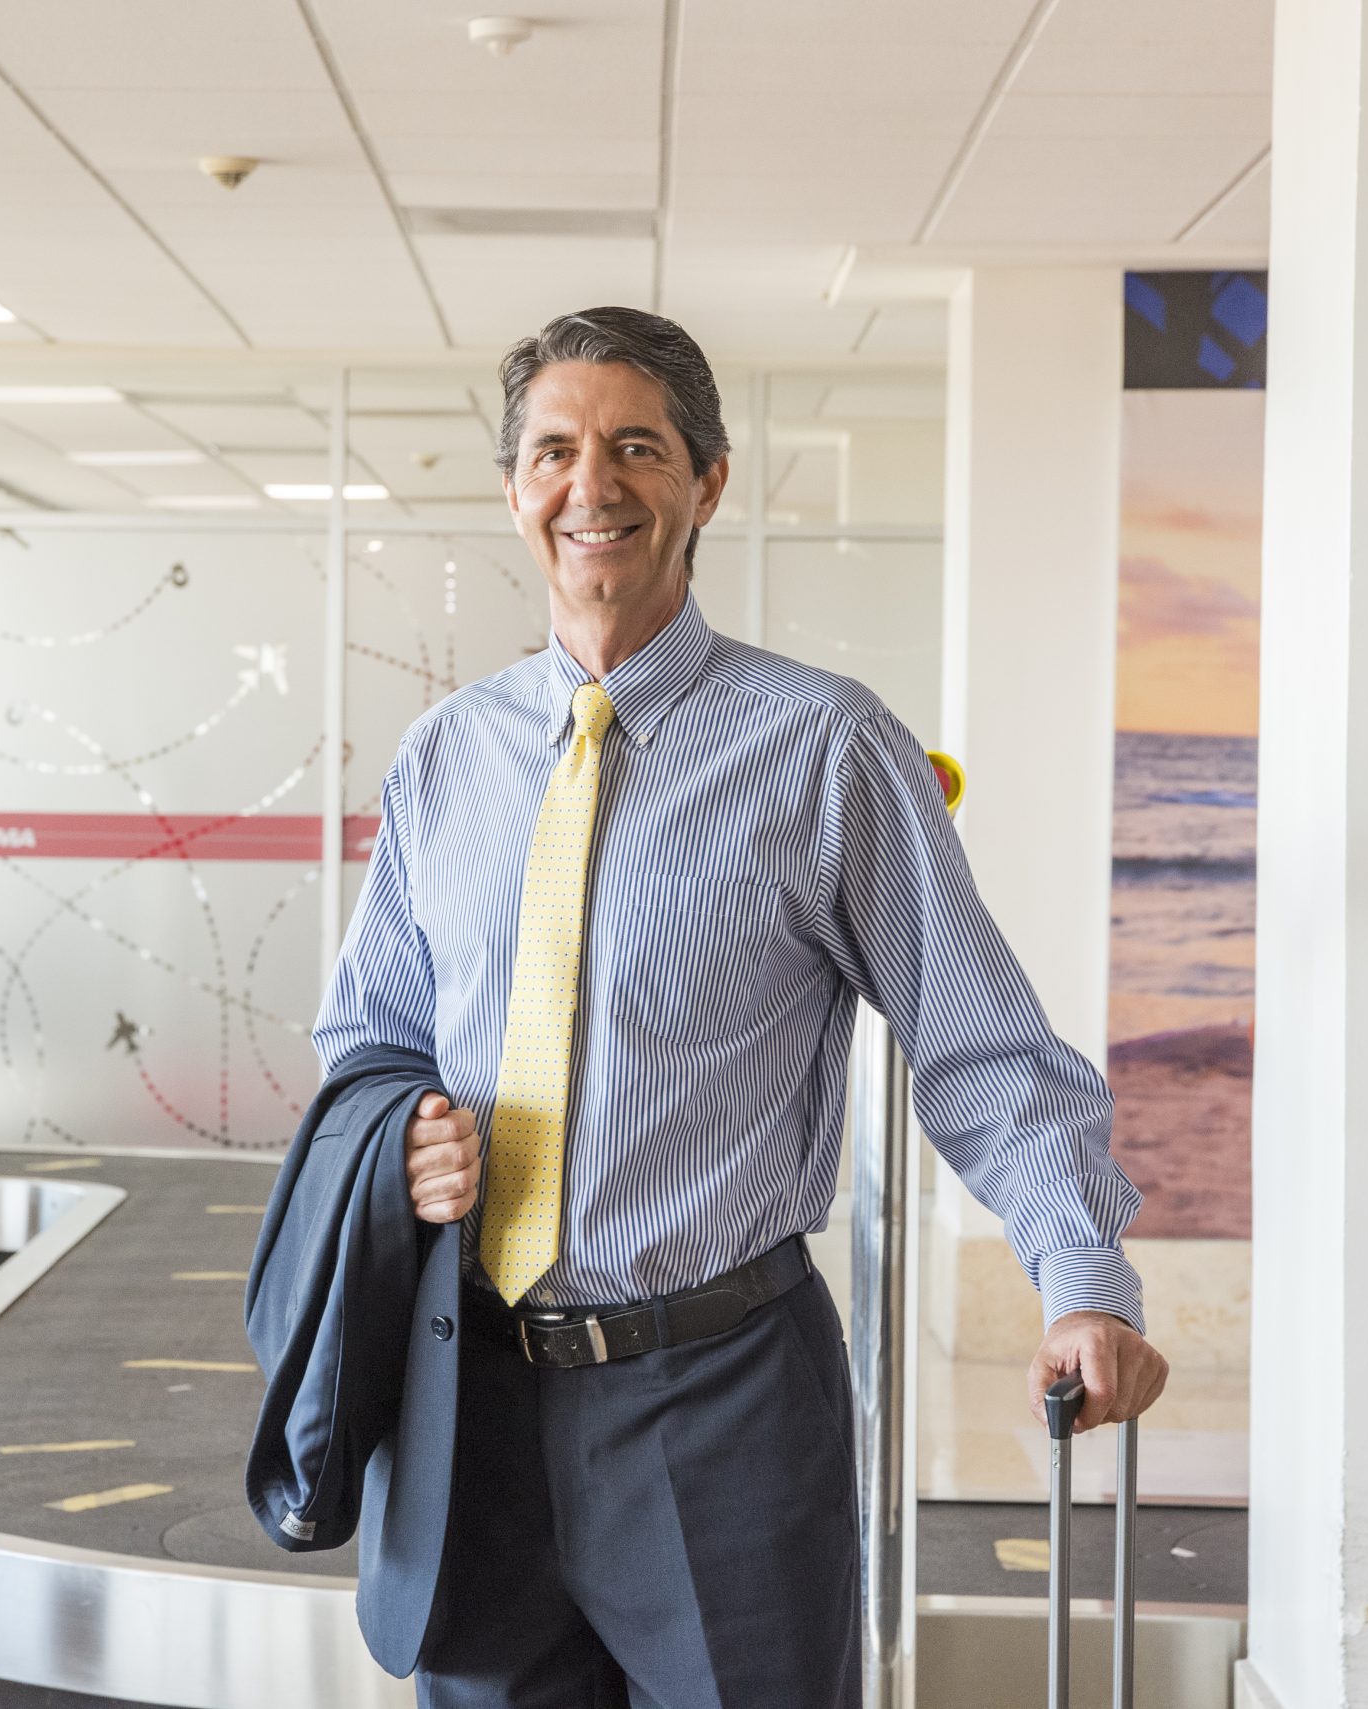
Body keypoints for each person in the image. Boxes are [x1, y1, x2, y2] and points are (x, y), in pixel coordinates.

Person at [310, 305, 1168, 1708]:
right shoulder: (443, 759)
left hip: (719, 1402)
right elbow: (367, 1042)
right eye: (555, 452)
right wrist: (398, 1131)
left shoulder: (827, 748)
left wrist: (1081, 1284)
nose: (593, 487)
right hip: (469, 1400)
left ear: (707, 482)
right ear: (514, 491)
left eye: (636, 447)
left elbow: (983, 1049)